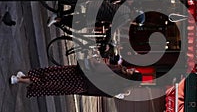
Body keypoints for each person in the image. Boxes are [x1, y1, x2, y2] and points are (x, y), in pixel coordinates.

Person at [10, 59, 142, 98]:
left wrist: (92, 62)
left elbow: (100, 68)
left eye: (133, 71)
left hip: (81, 75)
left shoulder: (119, 71)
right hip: (81, 86)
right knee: (51, 84)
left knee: (50, 76)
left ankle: (18, 80)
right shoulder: (118, 90)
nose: (132, 69)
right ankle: (22, 77)